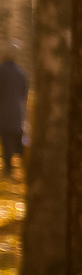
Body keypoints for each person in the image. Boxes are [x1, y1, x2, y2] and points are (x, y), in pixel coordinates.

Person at [0, 49, 25, 179]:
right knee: (17, 138)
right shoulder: (21, 72)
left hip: (3, 112)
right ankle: (22, 165)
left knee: (6, 140)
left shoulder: (1, 70)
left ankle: (8, 169)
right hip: (17, 111)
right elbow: (24, 91)